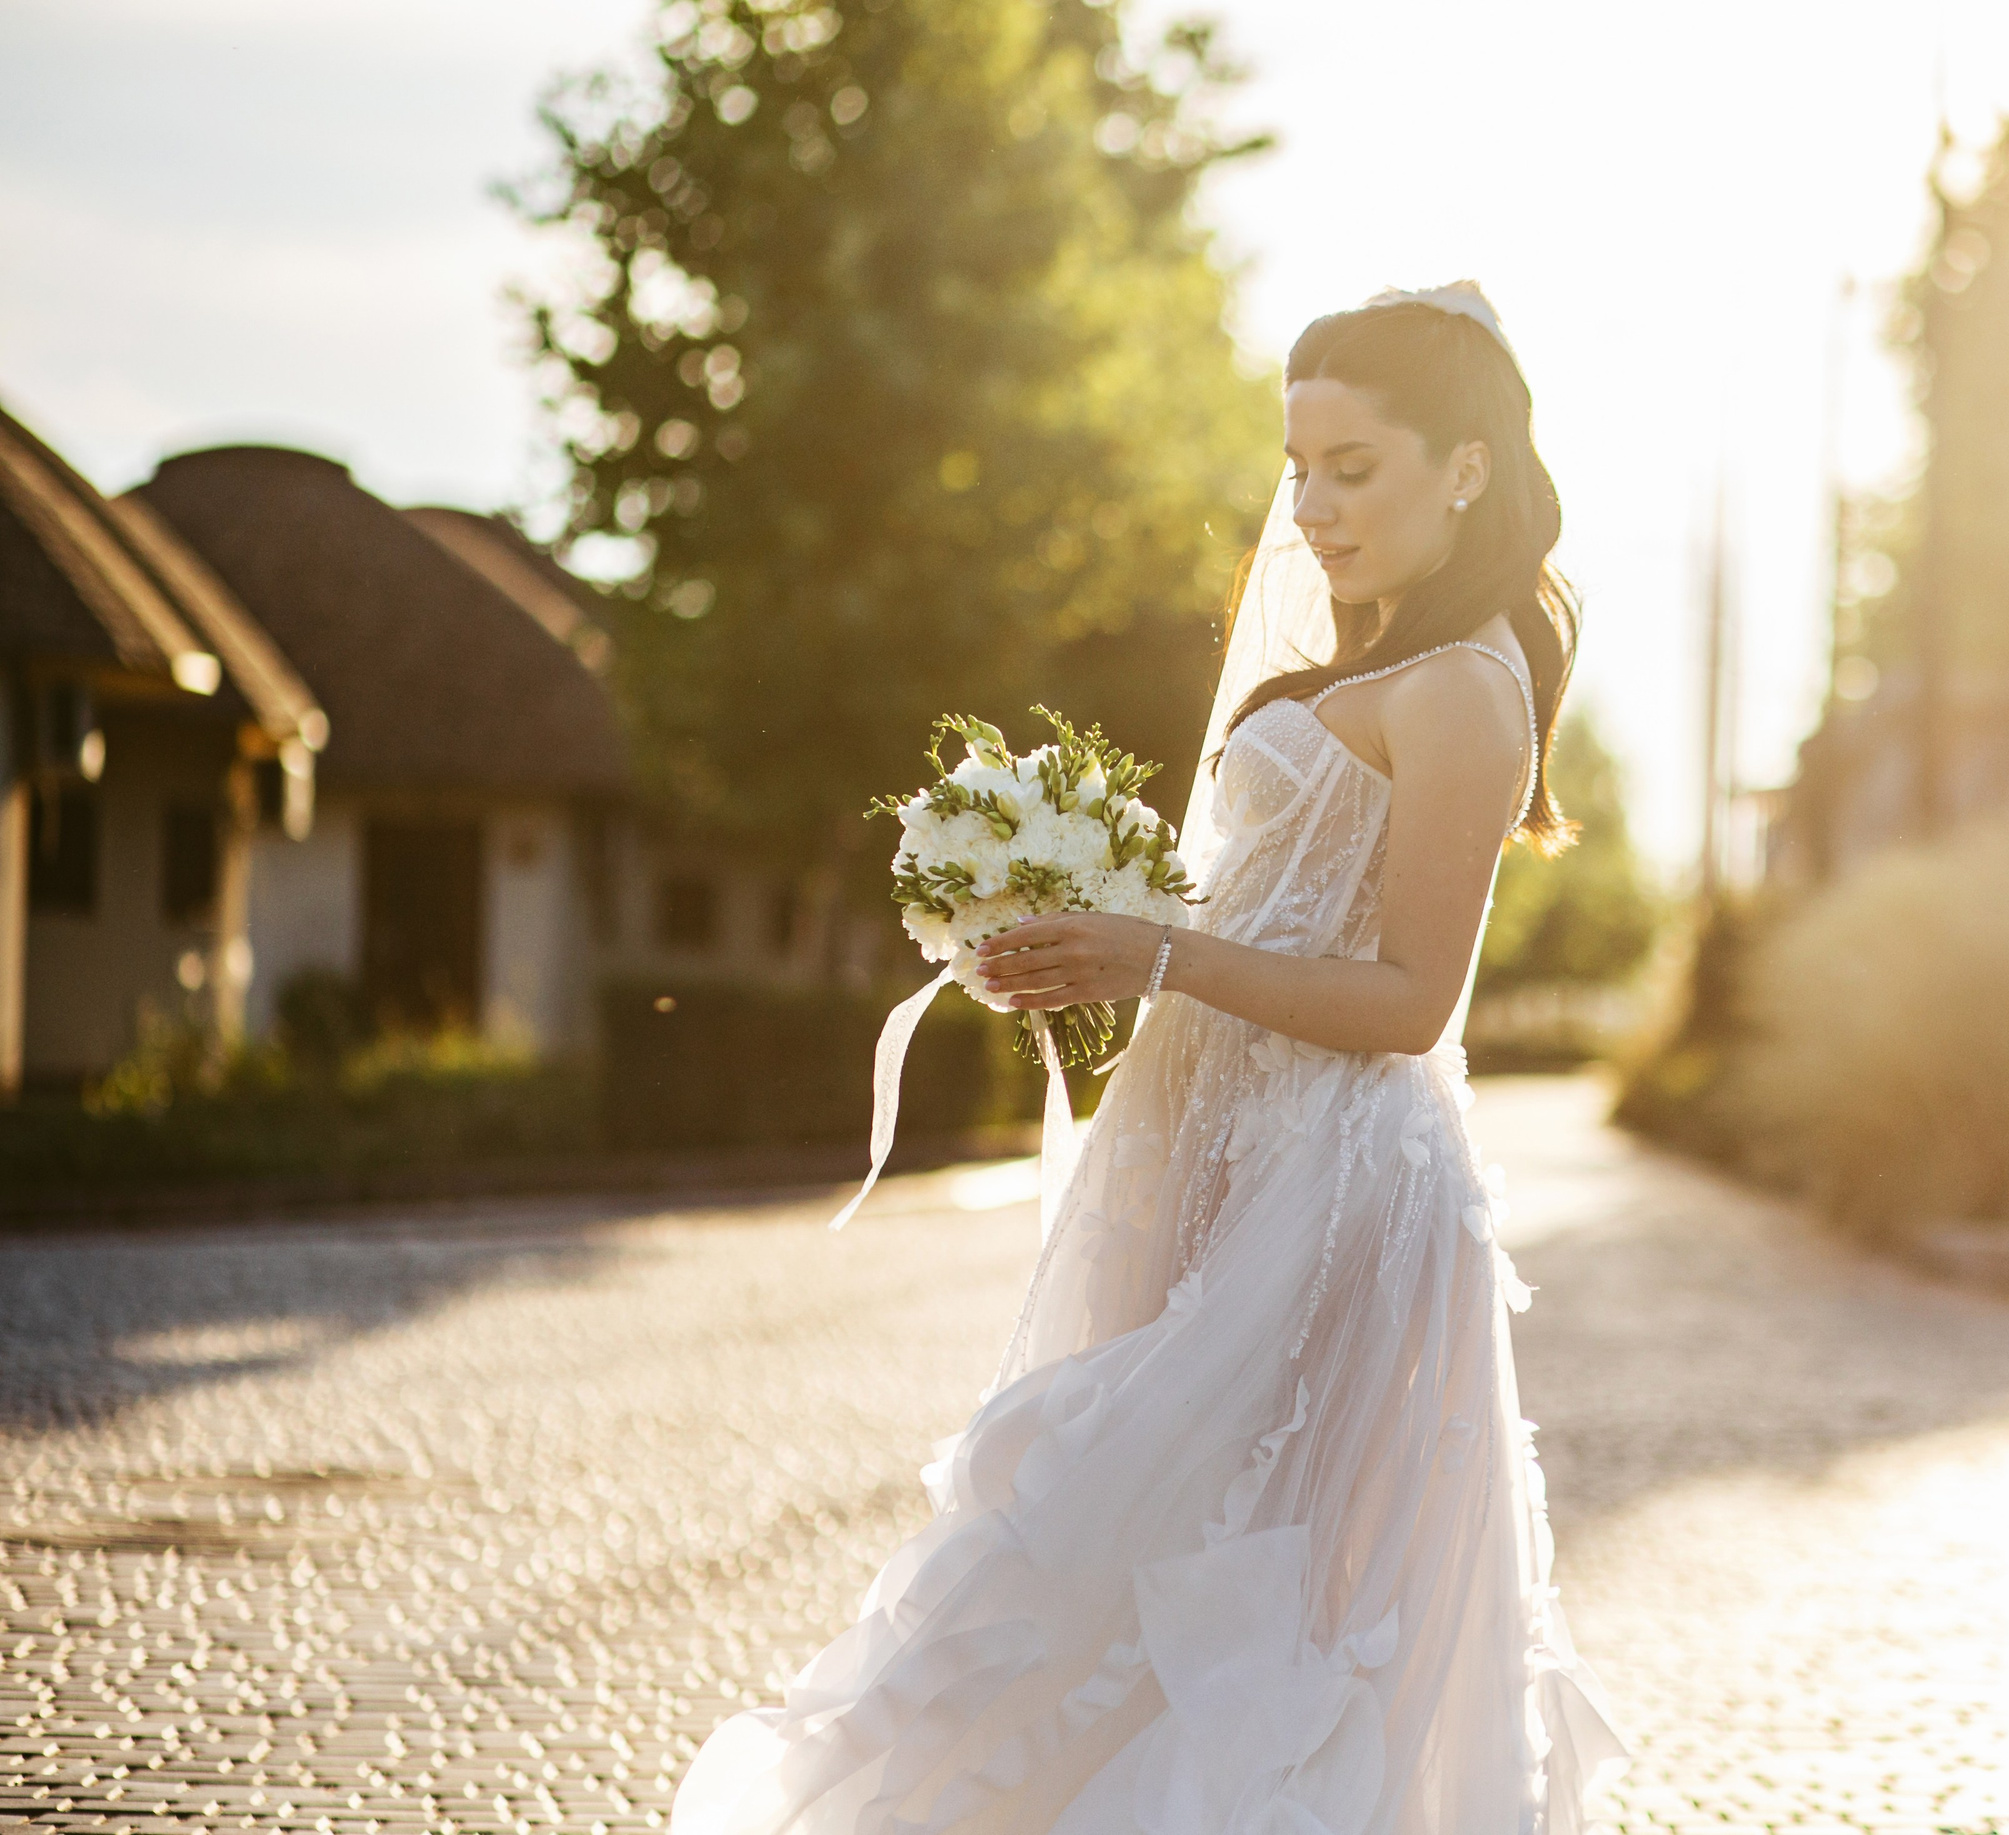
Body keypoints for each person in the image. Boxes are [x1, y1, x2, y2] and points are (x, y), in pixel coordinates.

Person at [673, 282, 1624, 1834]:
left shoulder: (1461, 690)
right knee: (1135, 1557)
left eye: (1354, 469)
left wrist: (1158, 955)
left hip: (1331, 1193)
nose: (1311, 509)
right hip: (1220, 1150)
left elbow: (1408, 1003)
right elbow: (1260, 919)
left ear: (1467, 467)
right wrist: (1081, 930)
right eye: (1299, 467)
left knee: (1234, 1581)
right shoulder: (1359, 673)